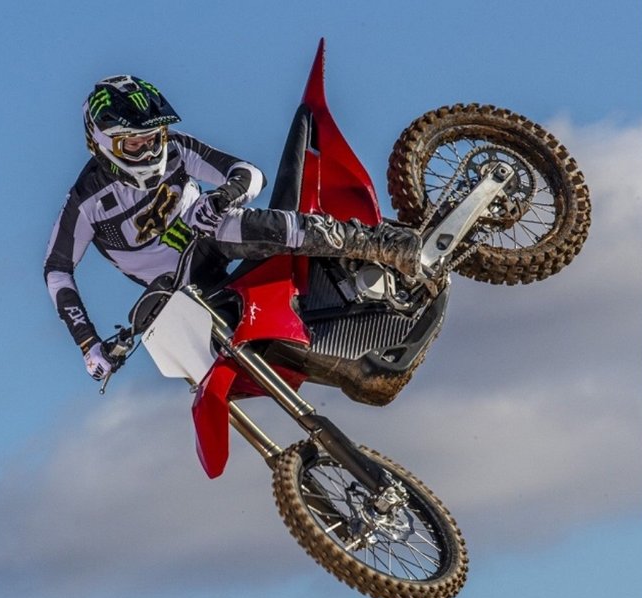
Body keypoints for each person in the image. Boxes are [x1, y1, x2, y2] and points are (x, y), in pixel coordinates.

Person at [44, 75, 423, 381]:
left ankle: (374, 242)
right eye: (134, 145)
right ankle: (335, 362)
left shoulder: (177, 148)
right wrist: (89, 343)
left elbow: (249, 173)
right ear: (103, 144)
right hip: (178, 287)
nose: (149, 152)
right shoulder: (85, 201)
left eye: (153, 138)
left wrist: (222, 197)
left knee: (217, 223)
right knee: (188, 349)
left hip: (213, 237)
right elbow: (57, 270)